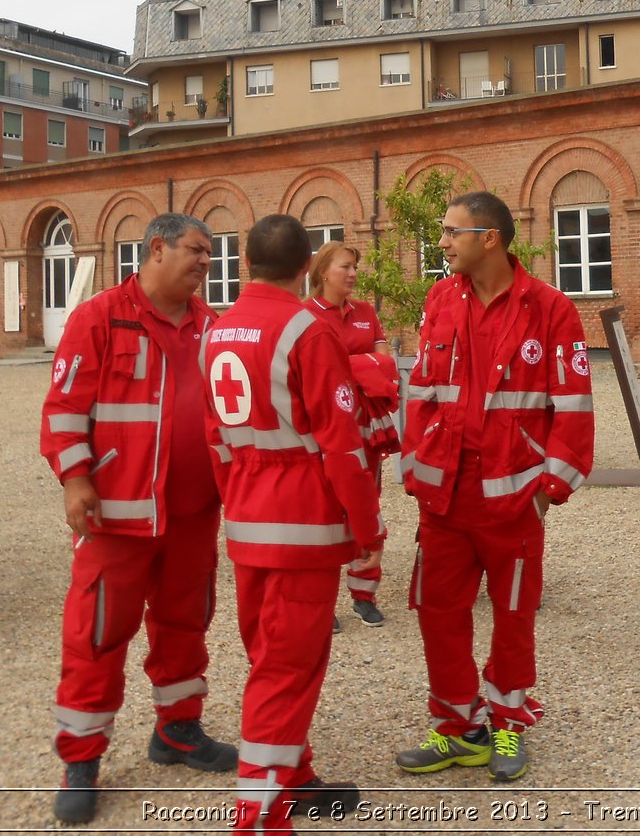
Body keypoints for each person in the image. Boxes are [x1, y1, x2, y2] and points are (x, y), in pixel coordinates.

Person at [39, 214, 236, 826]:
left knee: (186, 622)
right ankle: (82, 758)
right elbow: (65, 407)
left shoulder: (213, 328)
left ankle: (178, 730)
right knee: (96, 634)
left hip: (194, 515)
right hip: (117, 518)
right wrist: (75, 478)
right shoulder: (99, 317)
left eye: (212, 254)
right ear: (156, 249)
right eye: (197, 252)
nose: (207, 263)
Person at [395, 191, 595, 783]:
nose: (442, 241)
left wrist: (549, 487)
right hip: (445, 492)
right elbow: (423, 391)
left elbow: (574, 405)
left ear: (490, 238)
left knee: (513, 614)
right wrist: (414, 464)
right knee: (437, 611)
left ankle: (507, 719)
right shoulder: (439, 298)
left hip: (512, 495)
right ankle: (461, 728)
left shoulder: (551, 308)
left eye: (452, 231)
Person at [203, 214, 386, 835]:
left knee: (270, 655)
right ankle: (258, 814)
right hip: (302, 522)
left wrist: (241, 499)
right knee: (287, 670)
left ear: (245, 262)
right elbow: (344, 445)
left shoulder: (217, 331)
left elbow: (215, 441)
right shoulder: (307, 330)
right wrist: (367, 529)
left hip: (249, 517)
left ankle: (294, 773)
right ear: (305, 264)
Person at [305, 240, 400, 628]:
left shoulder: (365, 312)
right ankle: (321, 602)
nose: (353, 274)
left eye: (355, 267)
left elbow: (387, 365)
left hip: (368, 430)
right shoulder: (305, 315)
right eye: (346, 266)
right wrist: (364, 365)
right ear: (323, 271)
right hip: (324, 430)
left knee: (367, 504)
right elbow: (310, 372)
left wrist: (348, 365)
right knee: (323, 511)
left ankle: (364, 593)